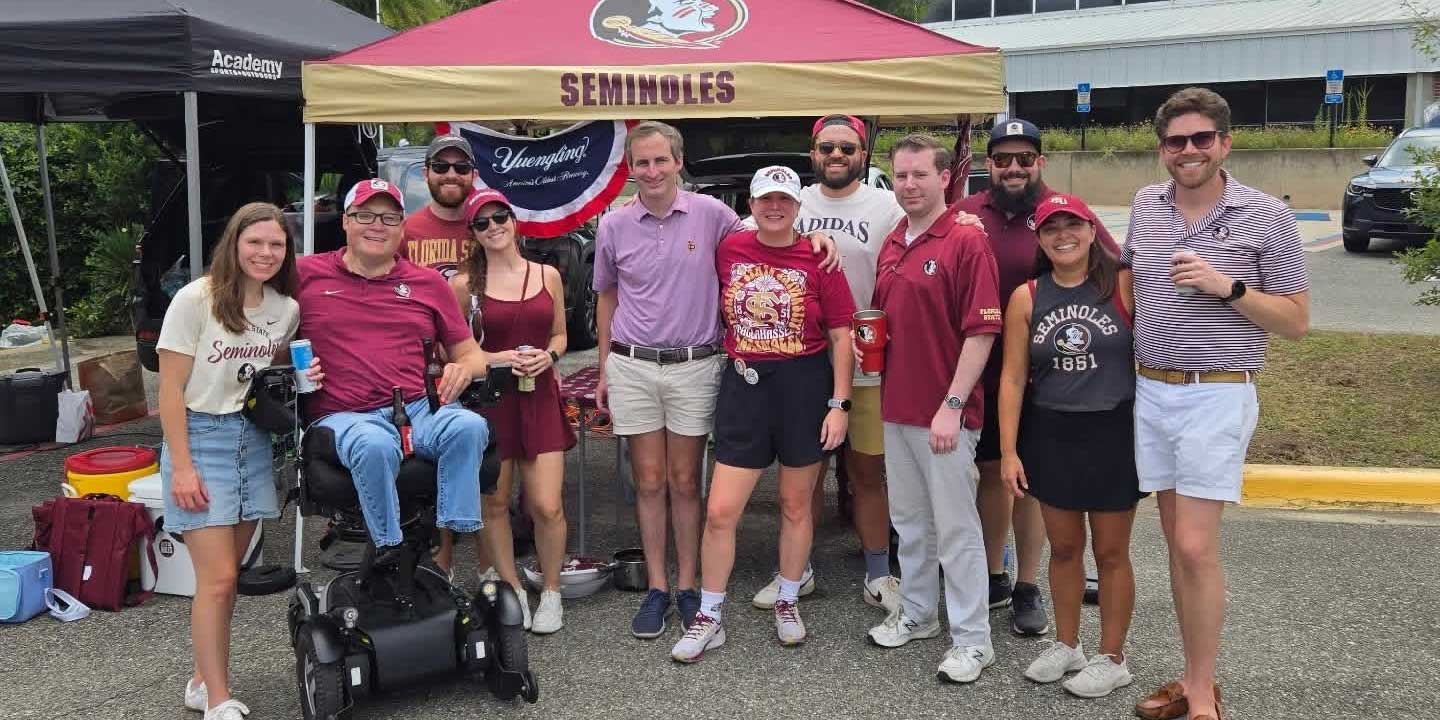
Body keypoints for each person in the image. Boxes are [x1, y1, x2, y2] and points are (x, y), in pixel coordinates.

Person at [593, 121, 836, 639]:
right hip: (633, 363)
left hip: (697, 363)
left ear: (679, 163)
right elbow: (606, 297)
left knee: (685, 482)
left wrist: (814, 234)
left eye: (662, 160)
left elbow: (772, 234)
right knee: (649, 481)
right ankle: (658, 588)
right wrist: (603, 367)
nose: (652, 171)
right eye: (642, 162)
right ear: (630, 169)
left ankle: (689, 589)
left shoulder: (713, 216)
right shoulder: (613, 225)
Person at [1127, 88, 1309, 720]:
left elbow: (1294, 321)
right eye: (1177, 141)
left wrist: (1225, 286)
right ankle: (1190, 676)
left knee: (1198, 546)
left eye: (1202, 138)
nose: (1189, 151)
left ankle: (1203, 696)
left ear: (1225, 143)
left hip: (1217, 392)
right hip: (1151, 390)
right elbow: (1127, 280)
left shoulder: (1264, 215)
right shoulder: (1145, 206)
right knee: (1178, 541)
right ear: (1163, 150)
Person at [670, 166, 855, 662]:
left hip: (803, 387)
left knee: (796, 505)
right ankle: (709, 613)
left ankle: (790, 598)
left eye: (785, 201)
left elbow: (841, 336)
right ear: (750, 205)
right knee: (722, 510)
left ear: (799, 206)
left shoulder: (820, 258)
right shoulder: (729, 247)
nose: (775, 208)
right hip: (746, 386)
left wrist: (839, 404)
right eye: (765, 200)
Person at [950, 118, 1122, 636]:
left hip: (1047, 372)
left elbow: (1115, 270)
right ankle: (993, 573)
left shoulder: (1065, 213)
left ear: (1040, 162)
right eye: (1003, 159)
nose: (1014, 167)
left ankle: (1027, 584)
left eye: (1025, 158)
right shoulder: (965, 213)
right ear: (989, 165)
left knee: (1028, 482)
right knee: (990, 474)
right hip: (979, 366)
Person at [157, 202, 312, 720]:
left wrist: (303, 381)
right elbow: (171, 391)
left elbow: (262, 381)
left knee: (228, 578)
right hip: (200, 439)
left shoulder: (284, 309)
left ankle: (203, 680)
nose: (266, 253)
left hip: (252, 442)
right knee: (219, 578)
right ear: (234, 243)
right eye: (256, 243)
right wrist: (181, 466)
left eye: (277, 244)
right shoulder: (195, 300)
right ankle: (217, 700)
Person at [746, 114, 906, 614]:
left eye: (847, 148)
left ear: (863, 153)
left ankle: (878, 572)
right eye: (827, 147)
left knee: (868, 473)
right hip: (808, 363)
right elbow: (742, 242)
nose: (837, 156)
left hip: (870, 363)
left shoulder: (887, 204)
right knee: (804, 473)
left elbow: (926, 235)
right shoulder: (793, 202)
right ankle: (800, 568)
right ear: (812, 153)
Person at [863, 134, 1003, 685]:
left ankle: (973, 641)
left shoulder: (966, 241)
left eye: (920, 174)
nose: (909, 184)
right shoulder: (895, 238)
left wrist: (952, 405)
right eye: (900, 175)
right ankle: (918, 614)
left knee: (956, 530)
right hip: (897, 405)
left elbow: (981, 333)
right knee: (911, 525)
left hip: (945, 415)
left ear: (946, 177)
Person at [997, 193, 1144, 698]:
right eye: (1051, 228)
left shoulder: (1121, 284)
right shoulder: (1027, 296)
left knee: (1110, 552)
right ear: (1039, 238)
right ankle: (1067, 644)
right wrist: (1011, 450)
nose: (1063, 235)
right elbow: (1013, 378)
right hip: (1051, 431)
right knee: (1063, 548)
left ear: (1090, 230)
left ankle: (1113, 656)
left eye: (1072, 225)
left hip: (1112, 431)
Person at [296, 178, 492, 555]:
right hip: (343, 414)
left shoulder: (429, 283)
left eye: (389, 218)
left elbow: (471, 355)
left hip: (417, 408)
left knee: (470, 425)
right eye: (365, 215)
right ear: (345, 222)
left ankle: (451, 527)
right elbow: (256, 314)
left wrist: (463, 369)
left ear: (402, 227)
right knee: (375, 444)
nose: (377, 226)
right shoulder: (305, 275)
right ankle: (388, 545)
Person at [450, 188, 575, 635]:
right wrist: (500, 358)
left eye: (499, 217)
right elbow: (454, 352)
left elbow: (560, 335)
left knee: (546, 504)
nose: (494, 227)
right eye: (482, 223)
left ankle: (553, 590)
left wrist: (550, 357)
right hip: (492, 402)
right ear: (473, 234)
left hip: (539, 395)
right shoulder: (464, 286)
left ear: (514, 219)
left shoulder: (547, 275)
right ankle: (511, 588)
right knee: (495, 502)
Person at [401, 134, 479, 280]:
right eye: (440, 167)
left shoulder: (490, 227)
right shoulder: (405, 231)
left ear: (474, 175)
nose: (451, 175)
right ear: (426, 173)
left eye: (462, 167)